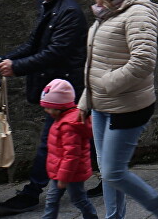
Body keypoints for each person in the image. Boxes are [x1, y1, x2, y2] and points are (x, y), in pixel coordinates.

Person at [78, 0, 158, 219]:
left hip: (128, 106)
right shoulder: (109, 13)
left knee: (114, 171)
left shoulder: (138, 13)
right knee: (107, 171)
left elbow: (143, 60)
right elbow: (98, 64)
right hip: (102, 105)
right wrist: (85, 101)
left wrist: (106, 85)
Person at [0, 0, 92, 215]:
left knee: (52, 141)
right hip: (58, 89)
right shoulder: (50, 9)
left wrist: (16, 67)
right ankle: (110, 178)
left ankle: (32, 192)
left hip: (66, 91)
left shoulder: (69, 12)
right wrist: (3, 60)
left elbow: (55, 51)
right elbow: (33, 44)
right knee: (84, 136)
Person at [39, 79, 98, 219]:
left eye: (48, 107)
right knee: (51, 200)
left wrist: (64, 178)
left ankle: (91, 217)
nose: (46, 111)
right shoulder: (61, 119)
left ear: (59, 107)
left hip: (72, 174)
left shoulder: (69, 126)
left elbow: (72, 155)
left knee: (78, 199)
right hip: (59, 171)